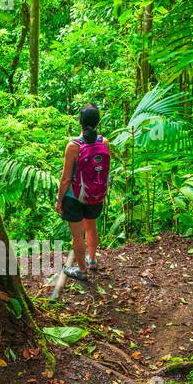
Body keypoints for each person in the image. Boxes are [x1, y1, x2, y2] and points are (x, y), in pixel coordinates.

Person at [55, 104, 111, 280]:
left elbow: (65, 178)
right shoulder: (104, 142)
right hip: (95, 194)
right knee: (91, 227)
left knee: (77, 235)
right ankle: (92, 261)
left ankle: (81, 270)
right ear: (97, 122)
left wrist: (59, 200)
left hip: (74, 197)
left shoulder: (73, 146)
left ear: (80, 121)